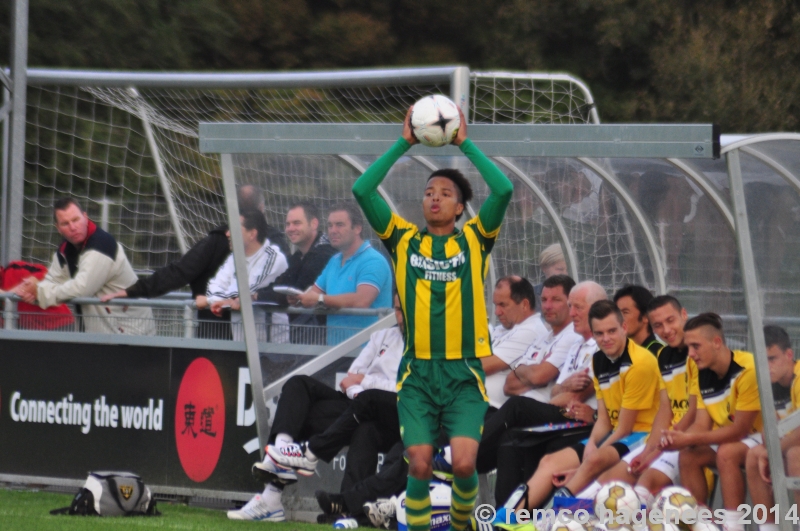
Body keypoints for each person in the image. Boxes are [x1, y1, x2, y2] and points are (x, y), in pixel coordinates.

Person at [352, 106, 513, 531]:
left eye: (444, 193)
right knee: (419, 464)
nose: (435, 197)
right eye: (428, 192)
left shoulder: (476, 240)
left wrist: (463, 142)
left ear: (460, 208)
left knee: (464, 465)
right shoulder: (402, 239)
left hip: (462, 372)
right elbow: (362, 190)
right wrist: (404, 142)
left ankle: (462, 524)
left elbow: (504, 190)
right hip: (419, 374)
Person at [232, 297, 404, 522]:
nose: (400, 317)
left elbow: (405, 389)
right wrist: (360, 387)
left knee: (368, 421)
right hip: (357, 404)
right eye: (397, 310)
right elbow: (350, 377)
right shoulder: (382, 336)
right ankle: (281, 458)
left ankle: (342, 508)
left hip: (392, 415)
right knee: (298, 385)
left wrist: (365, 382)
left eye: (405, 311)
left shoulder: (425, 346)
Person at [521, 299, 663, 509]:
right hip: (614, 435)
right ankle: (508, 518)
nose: (606, 339)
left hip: (642, 435)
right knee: (549, 463)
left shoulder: (639, 363)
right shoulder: (598, 360)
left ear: (624, 328)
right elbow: (604, 420)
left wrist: (587, 461)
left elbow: (624, 428)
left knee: (594, 463)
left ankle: (549, 519)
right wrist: (592, 444)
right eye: (599, 333)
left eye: (612, 331)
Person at [100, 184, 285, 339]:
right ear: (262, 208)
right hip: (262, 341)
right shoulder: (275, 244)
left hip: (214, 337)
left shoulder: (215, 242)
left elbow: (179, 272)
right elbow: (288, 288)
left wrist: (133, 291)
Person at [472, 276, 598, 504]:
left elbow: (570, 394)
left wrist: (547, 386)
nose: (572, 312)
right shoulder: (573, 342)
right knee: (509, 441)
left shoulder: (594, 344)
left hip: (576, 419)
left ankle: (462, 456)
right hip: (552, 409)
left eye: (576, 306)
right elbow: (513, 385)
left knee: (518, 407)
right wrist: (556, 386)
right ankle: (506, 522)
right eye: (571, 306)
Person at [576, 295, 696, 507]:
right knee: (602, 483)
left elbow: (695, 414)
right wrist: (651, 448)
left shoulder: (698, 356)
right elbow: (665, 412)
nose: (666, 330)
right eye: (658, 325)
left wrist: (655, 451)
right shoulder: (664, 357)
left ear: (684, 315)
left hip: (690, 440)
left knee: (639, 484)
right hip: (663, 438)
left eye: (671, 321)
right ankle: (559, 515)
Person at [660, 313, 762, 531]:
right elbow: (701, 424)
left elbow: (739, 431)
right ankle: (698, 523)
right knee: (688, 455)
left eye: (695, 346)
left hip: (766, 439)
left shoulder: (748, 370)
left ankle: (733, 526)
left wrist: (691, 437)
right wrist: (684, 439)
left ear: (717, 342)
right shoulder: (703, 370)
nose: (691, 354)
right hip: (737, 439)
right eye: (688, 347)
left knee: (727, 452)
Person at [13, 198, 155, 335]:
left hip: (132, 334)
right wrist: (33, 288)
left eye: (76, 220)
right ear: (58, 228)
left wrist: (39, 291)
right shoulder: (64, 251)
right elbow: (52, 282)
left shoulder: (102, 245)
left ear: (85, 217)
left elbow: (82, 289)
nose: (73, 227)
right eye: (65, 223)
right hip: (101, 336)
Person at [290, 203, 392, 345]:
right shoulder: (334, 260)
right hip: (336, 352)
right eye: (330, 225)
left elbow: (362, 301)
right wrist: (298, 299)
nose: (333, 230)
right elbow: (313, 294)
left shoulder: (373, 261)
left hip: (367, 355)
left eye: (339, 225)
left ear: (357, 228)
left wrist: (319, 299)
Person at [199, 211, 288, 342]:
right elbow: (216, 286)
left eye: (234, 228)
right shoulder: (233, 258)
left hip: (272, 351)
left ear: (252, 234)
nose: (227, 233)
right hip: (242, 345)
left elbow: (248, 290)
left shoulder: (274, 257)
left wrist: (210, 301)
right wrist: (220, 299)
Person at [745, 326, 800, 531]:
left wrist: (771, 454)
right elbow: (770, 428)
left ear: (789, 355)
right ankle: (768, 528)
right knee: (753, 456)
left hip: (794, 448)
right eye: (762, 360)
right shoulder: (768, 385)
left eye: (772, 359)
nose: (767, 366)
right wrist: (768, 450)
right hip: (788, 445)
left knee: (795, 455)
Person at [262, 202, 336, 344]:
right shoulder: (297, 257)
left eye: (296, 223)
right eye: (288, 224)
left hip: (321, 338)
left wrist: (254, 296)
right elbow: (281, 286)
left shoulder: (325, 254)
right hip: (303, 334)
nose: (290, 229)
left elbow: (297, 291)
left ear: (314, 223)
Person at [485, 275, 549, 410]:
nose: (497, 312)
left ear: (524, 304)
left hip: (493, 410)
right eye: (495, 305)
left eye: (503, 305)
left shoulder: (531, 331)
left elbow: (481, 366)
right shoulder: (502, 329)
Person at [0, 261, 74, 331]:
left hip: (60, 324)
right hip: (28, 332)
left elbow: (46, 273)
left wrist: (33, 281)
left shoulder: (14, 268)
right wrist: (13, 293)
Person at [613, 284, 662, 354]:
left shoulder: (660, 354)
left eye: (625, 312)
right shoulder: (619, 354)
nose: (618, 318)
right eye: (617, 313)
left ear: (646, 317)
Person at [532, 243, 567, 312]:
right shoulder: (531, 296)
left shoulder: (576, 296)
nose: (565, 274)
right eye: (560, 269)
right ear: (544, 268)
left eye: (568, 270)